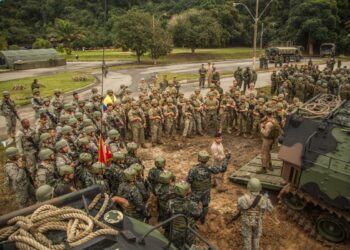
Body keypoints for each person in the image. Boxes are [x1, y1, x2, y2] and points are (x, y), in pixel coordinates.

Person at [187, 150, 231, 224]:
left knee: (192, 204)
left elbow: (189, 181)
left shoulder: (193, 169)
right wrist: (227, 159)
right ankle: (203, 218)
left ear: (199, 158)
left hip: (195, 192)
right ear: (207, 159)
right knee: (205, 205)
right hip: (206, 192)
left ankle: (195, 218)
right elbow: (223, 169)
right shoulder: (210, 168)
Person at [237, 178, 273, 250]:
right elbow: (271, 209)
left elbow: (239, 207)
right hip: (258, 222)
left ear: (248, 187)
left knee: (247, 238)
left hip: (247, 223)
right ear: (260, 188)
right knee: (256, 238)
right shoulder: (264, 200)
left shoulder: (242, 199)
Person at [167, 181, 201, 249]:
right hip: (188, 230)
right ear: (185, 193)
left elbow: (168, 212)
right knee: (191, 246)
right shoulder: (191, 204)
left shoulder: (170, 202)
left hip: (175, 229)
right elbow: (198, 214)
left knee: (175, 247)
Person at [259, 109, 279, 173]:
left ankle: (264, 168)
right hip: (273, 139)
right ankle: (270, 165)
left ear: (266, 114)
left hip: (267, 140)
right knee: (267, 152)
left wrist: (261, 127)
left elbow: (266, 134)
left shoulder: (269, 124)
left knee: (264, 153)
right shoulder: (274, 120)